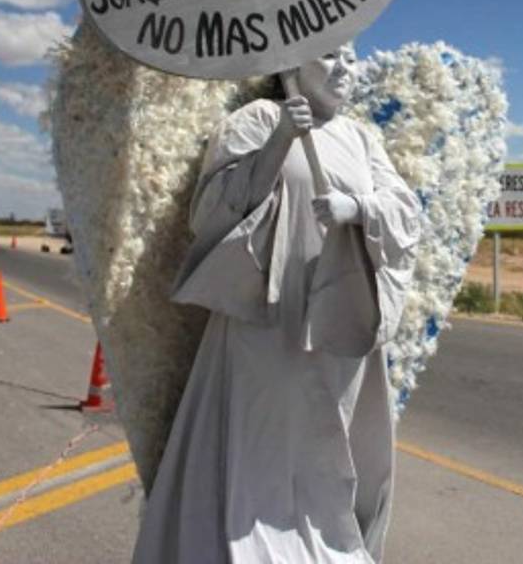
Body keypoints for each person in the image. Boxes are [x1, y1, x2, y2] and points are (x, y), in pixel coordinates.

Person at [132, 44, 421, 563]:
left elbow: (405, 214)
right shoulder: (256, 119)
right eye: (330, 55)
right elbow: (212, 213)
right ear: (292, 65)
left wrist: (357, 207)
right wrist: (280, 141)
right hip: (269, 324)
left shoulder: (360, 137)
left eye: (352, 59)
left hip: (341, 320)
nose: (344, 68)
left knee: (334, 450)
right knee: (259, 455)